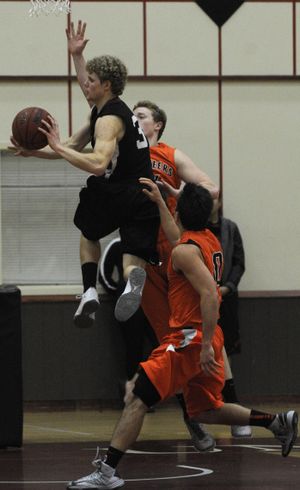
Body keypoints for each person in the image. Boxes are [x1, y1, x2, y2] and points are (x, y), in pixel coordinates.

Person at [66, 181, 298, 489]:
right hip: (203, 338)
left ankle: (106, 473)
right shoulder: (206, 240)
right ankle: (276, 422)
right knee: (206, 410)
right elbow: (179, 237)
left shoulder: (184, 254)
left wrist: (203, 349)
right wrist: (166, 203)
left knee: (137, 397)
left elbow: (211, 297)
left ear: (181, 215)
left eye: (176, 207)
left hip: (191, 339)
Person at [66, 20, 219, 451]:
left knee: (190, 339)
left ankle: (204, 410)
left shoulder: (168, 154)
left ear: (157, 126)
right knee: (159, 342)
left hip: (173, 245)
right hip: (147, 245)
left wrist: (178, 191)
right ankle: (175, 405)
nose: (137, 117)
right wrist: (78, 57)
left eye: (144, 115)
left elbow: (211, 190)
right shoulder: (117, 129)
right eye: (136, 113)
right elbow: (96, 102)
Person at [10, 52, 160, 329]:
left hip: (116, 190)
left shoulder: (106, 121)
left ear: (105, 86)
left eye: (90, 80)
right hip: (144, 194)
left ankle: (89, 289)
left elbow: (98, 163)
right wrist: (36, 153)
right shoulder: (111, 110)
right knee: (132, 262)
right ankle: (132, 280)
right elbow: (71, 146)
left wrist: (55, 147)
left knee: (88, 233)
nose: (85, 84)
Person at [207, 196, 251, 437]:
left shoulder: (230, 228)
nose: (212, 201)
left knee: (226, 349)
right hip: (203, 296)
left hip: (226, 296)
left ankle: (231, 407)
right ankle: (206, 404)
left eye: (215, 197)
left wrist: (227, 287)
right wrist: (207, 289)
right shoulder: (196, 229)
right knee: (204, 348)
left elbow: (238, 262)